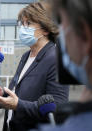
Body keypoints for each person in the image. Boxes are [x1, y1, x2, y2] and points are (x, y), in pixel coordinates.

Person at [0, 2, 69, 131]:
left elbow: (56, 106)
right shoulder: (27, 55)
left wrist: (18, 105)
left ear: (45, 29)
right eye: (22, 24)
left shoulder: (55, 59)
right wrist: (3, 96)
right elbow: (23, 91)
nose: (23, 28)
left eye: (28, 24)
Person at [32, 0, 92, 131]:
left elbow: (58, 99)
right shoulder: (26, 56)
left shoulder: (50, 57)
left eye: (61, 22)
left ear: (84, 34)